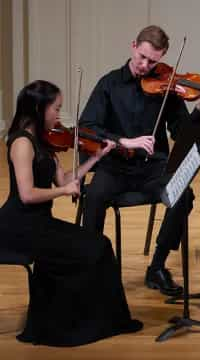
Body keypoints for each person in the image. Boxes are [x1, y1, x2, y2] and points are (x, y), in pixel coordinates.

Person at [0, 80, 142, 346]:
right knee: (89, 250)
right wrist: (64, 193)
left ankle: (97, 320)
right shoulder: (21, 143)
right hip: (17, 227)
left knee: (99, 245)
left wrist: (96, 158)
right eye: (56, 108)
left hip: (39, 223)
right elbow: (27, 194)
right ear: (38, 108)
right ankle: (65, 326)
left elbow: (64, 179)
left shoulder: (45, 141)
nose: (58, 115)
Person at [79, 25, 200, 296]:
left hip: (152, 167)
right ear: (133, 46)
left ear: (163, 56)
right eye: (141, 57)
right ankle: (92, 265)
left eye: (153, 60)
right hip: (115, 166)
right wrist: (124, 141)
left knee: (183, 194)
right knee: (94, 197)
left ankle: (157, 266)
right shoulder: (109, 84)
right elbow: (87, 127)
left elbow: (181, 134)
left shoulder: (167, 85)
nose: (145, 65)